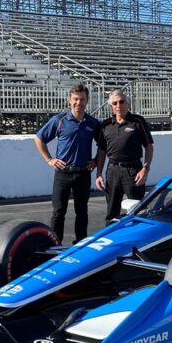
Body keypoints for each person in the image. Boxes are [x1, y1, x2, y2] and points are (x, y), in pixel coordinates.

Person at [34, 83, 100, 243]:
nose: (79, 103)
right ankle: (55, 245)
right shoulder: (59, 120)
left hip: (83, 173)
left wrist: (96, 160)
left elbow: (104, 145)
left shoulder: (93, 123)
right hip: (63, 174)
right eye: (76, 99)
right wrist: (50, 159)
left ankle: (80, 244)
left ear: (87, 101)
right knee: (58, 211)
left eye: (82, 99)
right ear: (69, 100)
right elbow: (39, 138)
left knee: (82, 212)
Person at [95, 89, 154, 222]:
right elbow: (101, 151)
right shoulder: (105, 125)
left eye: (121, 102)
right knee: (111, 213)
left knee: (138, 211)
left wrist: (145, 168)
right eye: (115, 103)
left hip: (134, 170)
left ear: (127, 104)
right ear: (111, 107)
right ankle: (111, 241)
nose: (118, 106)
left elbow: (149, 147)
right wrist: (98, 173)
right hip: (112, 171)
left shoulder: (138, 121)